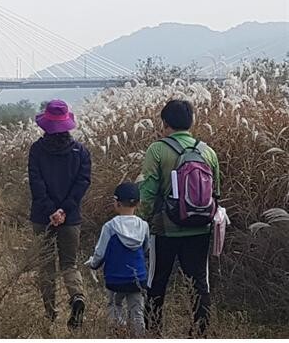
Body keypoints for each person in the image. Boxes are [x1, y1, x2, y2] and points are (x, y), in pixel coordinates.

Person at [138, 100, 221, 337]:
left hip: (165, 229)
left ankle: (154, 333)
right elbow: (216, 192)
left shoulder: (157, 149)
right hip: (201, 227)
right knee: (199, 284)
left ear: (165, 123)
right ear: (191, 122)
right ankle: (200, 334)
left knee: (156, 283)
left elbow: (148, 191)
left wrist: (140, 221)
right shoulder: (208, 151)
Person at [28, 99, 91, 329]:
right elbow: (82, 183)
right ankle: (77, 298)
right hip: (71, 218)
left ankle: (50, 314)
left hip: (41, 216)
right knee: (69, 264)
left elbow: (36, 183)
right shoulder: (80, 151)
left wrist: (51, 210)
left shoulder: (36, 150)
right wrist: (64, 210)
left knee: (46, 265)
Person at [85, 182, 149, 337]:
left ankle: (119, 334)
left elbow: (100, 253)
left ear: (117, 203)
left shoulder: (110, 227)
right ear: (138, 204)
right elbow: (146, 249)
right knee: (137, 312)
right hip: (138, 278)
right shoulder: (144, 226)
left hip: (115, 279)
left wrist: (93, 264)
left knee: (114, 305)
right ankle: (139, 337)